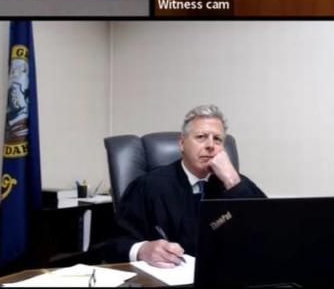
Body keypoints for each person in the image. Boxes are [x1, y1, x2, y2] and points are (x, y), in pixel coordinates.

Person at [106, 105, 266, 266]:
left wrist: (232, 180)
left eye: (217, 139)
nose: (211, 145)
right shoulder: (149, 185)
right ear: (182, 143)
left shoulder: (235, 183)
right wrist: (142, 249)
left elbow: (268, 231)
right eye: (201, 137)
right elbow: (114, 245)